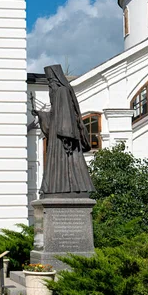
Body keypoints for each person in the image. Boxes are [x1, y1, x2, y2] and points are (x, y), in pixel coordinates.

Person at [31, 65, 95, 198]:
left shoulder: (62, 91)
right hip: (59, 134)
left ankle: (63, 188)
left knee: (64, 162)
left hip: (63, 137)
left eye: (51, 82)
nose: (50, 86)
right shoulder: (60, 91)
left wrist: (67, 135)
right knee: (58, 162)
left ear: (56, 80)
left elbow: (66, 115)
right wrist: (41, 114)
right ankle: (57, 188)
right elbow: (55, 115)